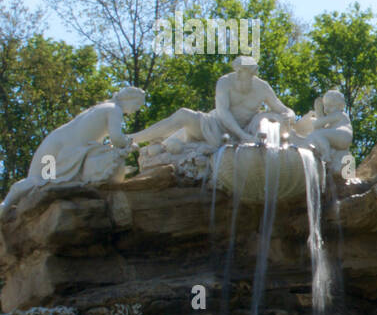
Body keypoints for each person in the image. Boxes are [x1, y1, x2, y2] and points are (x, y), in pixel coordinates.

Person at [2, 87, 146, 209]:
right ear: (130, 99)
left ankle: (6, 204)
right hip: (67, 151)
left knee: (38, 178)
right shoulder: (115, 110)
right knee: (44, 179)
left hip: (54, 142)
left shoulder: (101, 107)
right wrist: (131, 143)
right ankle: (6, 205)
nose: (136, 109)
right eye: (138, 104)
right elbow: (116, 138)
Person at [129, 55, 295, 152]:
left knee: (173, 144)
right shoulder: (225, 82)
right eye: (236, 70)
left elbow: (282, 108)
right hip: (216, 125)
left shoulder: (262, 88)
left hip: (243, 132)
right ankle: (131, 138)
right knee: (183, 114)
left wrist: (290, 115)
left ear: (252, 73)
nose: (236, 75)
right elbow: (223, 112)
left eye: (241, 71)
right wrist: (243, 136)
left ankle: (165, 146)